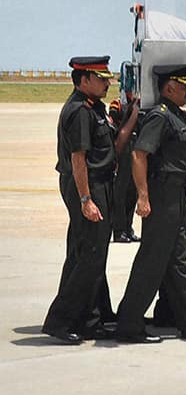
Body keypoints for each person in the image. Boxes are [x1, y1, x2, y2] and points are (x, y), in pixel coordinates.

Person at [115, 64, 186, 343]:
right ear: (169, 87)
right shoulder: (160, 117)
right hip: (161, 197)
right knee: (152, 261)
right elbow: (139, 155)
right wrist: (143, 196)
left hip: (176, 196)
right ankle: (129, 323)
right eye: (184, 86)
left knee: (176, 261)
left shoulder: (176, 115)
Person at [42, 56, 118, 344]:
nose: (107, 83)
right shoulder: (79, 112)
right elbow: (78, 159)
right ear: (84, 79)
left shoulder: (95, 108)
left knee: (86, 251)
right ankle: (60, 320)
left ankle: (90, 317)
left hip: (98, 183)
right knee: (91, 254)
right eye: (101, 78)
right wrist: (86, 199)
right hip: (86, 185)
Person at [109, 90, 141, 244]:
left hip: (135, 148)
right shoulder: (118, 104)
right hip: (123, 149)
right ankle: (119, 230)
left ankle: (128, 227)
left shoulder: (142, 102)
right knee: (120, 192)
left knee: (132, 191)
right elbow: (115, 126)